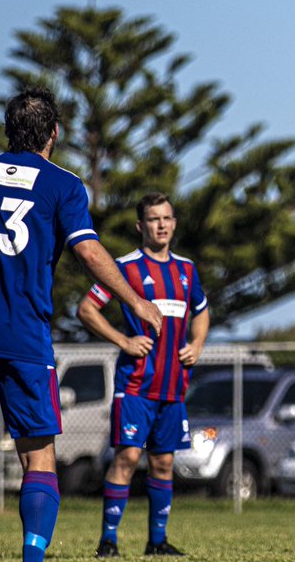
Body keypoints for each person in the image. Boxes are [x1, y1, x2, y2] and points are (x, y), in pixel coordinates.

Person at [0, 86, 162, 562]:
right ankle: (32, 556)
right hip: (23, 331)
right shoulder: (63, 185)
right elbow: (88, 251)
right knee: (38, 456)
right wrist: (135, 299)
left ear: (8, 131)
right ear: (55, 132)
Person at [77, 193, 209, 558]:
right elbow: (86, 309)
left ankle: (157, 541)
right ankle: (108, 540)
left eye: (167, 218)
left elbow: (201, 311)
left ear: (175, 222)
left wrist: (197, 344)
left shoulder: (186, 270)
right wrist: (123, 340)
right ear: (141, 226)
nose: (162, 225)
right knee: (127, 458)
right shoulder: (126, 268)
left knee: (164, 462)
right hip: (135, 386)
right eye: (153, 219)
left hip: (173, 389)